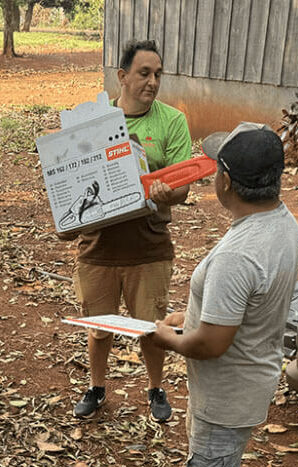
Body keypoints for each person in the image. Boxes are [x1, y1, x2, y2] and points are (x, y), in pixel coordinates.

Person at [150, 123, 298, 467]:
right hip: (254, 372)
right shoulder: (282, 222)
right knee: (223, 463)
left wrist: (164, 336)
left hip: (228, 386)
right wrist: (190, 313)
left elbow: (211, 344)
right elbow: (240, 310)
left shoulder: (239, 254)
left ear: (226, 182)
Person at [69, 38, 192, 423]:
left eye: (158, 74)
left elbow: (183, 186)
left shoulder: (172, 121)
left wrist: (165, 191)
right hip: (99, 247)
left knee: (151, 329)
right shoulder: (93, 121)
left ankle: (156, 389)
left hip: (149, 248)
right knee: (99, 326)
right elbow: (73, 176)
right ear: (122, 77)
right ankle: (97, 386)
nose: (152, 82)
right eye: (144, 73)